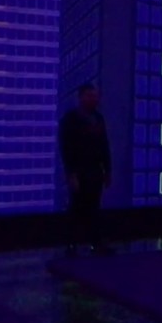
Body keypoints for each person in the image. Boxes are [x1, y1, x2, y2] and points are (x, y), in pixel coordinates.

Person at [58, 83, 112, 255]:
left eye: (95, 96)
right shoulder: (71, 119)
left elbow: (104, 146)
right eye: (89, 95)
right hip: (79, 171)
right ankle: (71, 245)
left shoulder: (99, 118)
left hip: (95, 171)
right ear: (81, 97)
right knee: (76, 208)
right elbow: (67, 148)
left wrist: (107, 171)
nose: (93, 99)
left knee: (94, 208)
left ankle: (96, 244)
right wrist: (71, 174)